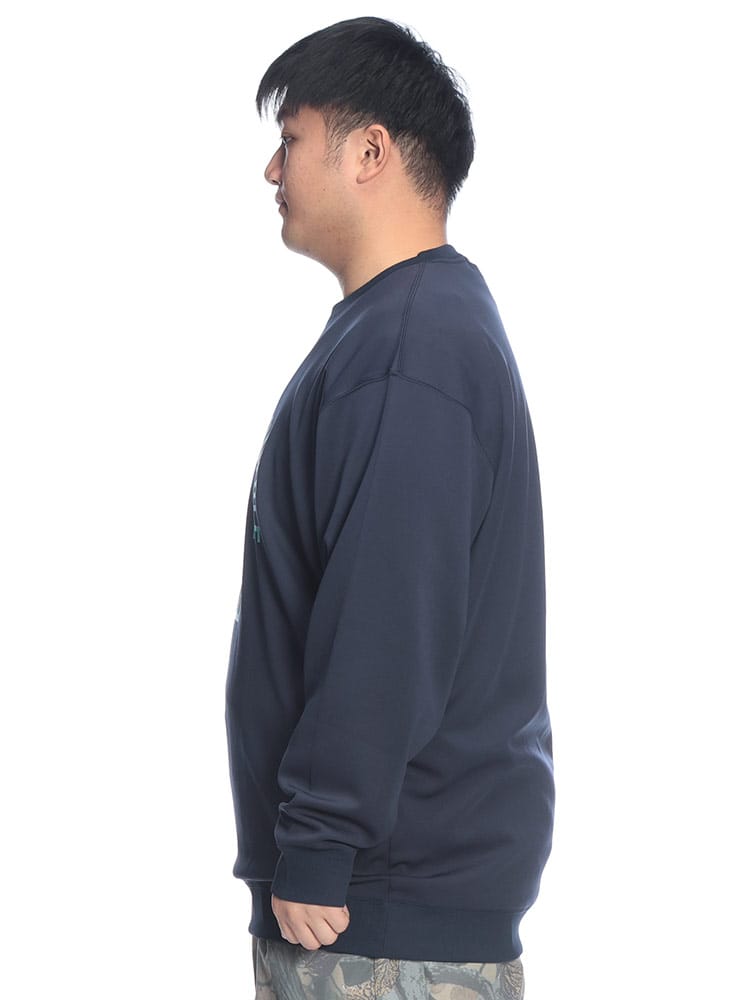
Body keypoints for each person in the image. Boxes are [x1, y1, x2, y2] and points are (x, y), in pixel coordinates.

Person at [224, 16, 554, 999]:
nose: (271, 170)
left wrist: (323, 839)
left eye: (291, 140)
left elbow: (388, 612)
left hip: (378, 919)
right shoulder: (406, 330)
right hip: (381, 908)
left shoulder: (412, 347)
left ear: (369, 152)